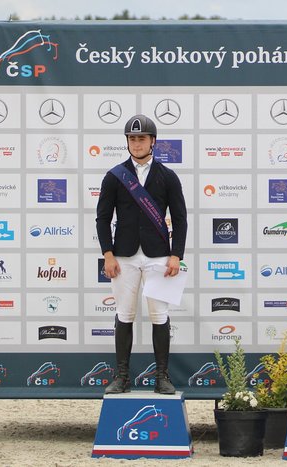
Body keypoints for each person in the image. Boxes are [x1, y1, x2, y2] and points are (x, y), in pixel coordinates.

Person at [96, 114, 188, 395]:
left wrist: (176, 255)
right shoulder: (114, 176)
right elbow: (102, 218)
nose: (137, 143)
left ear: (153, 141)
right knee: (125, 314)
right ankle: (122, 377)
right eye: (132, 139)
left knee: (159, 315)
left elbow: (180, 218)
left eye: (142, 138)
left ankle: (162, 377)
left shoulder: (168, 176)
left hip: (158, 256)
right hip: (123, 256)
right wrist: (107, 254)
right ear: (127, 142)